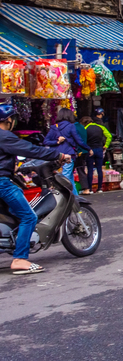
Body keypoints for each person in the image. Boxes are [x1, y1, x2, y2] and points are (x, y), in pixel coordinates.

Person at [0, 104, 73, 275]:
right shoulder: (4, 136)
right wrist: (59, 155)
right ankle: (20, 259)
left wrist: (14, 169)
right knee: (28, 216)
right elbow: (30, 149)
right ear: (8, 120)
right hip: (2, 183)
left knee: (13, 212)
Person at [44, 108, 90, 195]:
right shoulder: (71, 126)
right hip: (68, 155)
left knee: (69, 177)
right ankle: (65, 197)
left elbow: (46, 141)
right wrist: (88, 149)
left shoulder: (54, 127)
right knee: (65, 178)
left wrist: (56, 142)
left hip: (56, 155)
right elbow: (79, 140)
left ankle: (76, 198)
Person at [80, 115, 112, 195]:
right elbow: (109, 136)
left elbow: (82, 140)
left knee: (90, 169)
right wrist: (106, 145)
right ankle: (99, 188)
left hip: (90, 150)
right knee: (99, 169)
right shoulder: (100, 127)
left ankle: (90, 189)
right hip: (99, 149)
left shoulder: (85, 129)